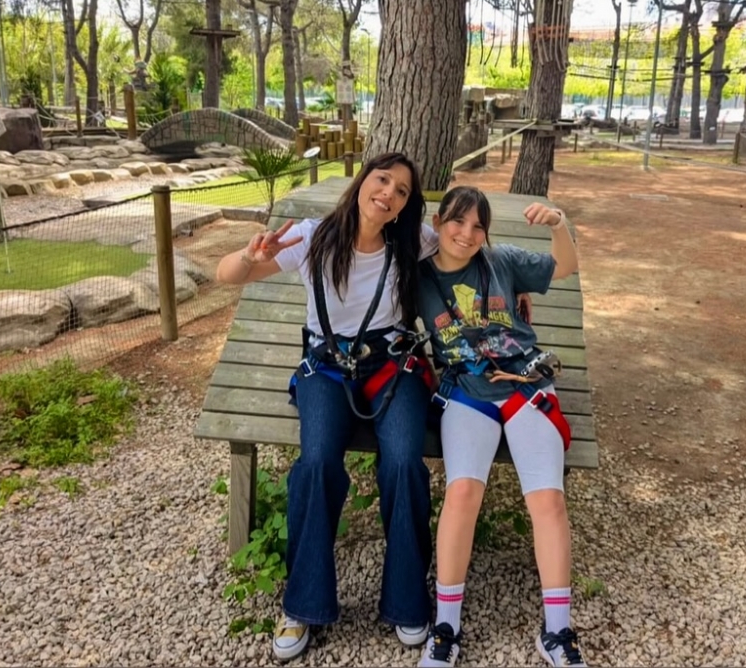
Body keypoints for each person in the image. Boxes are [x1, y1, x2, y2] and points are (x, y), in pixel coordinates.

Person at [216, 152, 438, 661]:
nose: (389, 193)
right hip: (327, 365)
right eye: (383, 180)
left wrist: (509, 294)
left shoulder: (412, 242)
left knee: (404, 460)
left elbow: (470, 248)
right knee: (315, 462)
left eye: (402, 190)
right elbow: (226, 274)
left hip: (392, 365)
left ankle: (407, 598)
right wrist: (251, 256)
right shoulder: (315, 237)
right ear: (364, 181)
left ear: (406, 205)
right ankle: (303, 603)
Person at [414, 186, 585, 668]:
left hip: (525, 387)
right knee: (463, 493)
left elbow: (565, 267)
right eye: (456, 221)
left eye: (476, 225)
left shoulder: (501, 261)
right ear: (437, 221)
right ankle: (445, 627)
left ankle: (558, 632)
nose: (465, 234)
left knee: (547, 499)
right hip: (467, 392)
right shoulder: (419, 277)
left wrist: (558, 223)